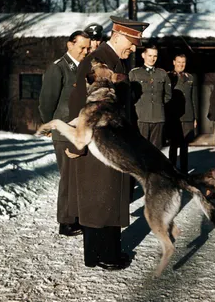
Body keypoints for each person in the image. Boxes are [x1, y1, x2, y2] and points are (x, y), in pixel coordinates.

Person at [68, 15, 149, 270]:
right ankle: (99, 255)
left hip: (113, 141)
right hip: (98, 141)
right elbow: (79, 105)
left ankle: (108, 252)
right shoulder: (98, 62)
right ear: (117, 36)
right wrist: (77, 144)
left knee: (110, 195)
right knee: (98, 197)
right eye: (132, 42)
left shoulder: (116, 62)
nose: (134, 48)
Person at [38, 30, 91, 236]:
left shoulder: (83, 68)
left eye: (87, 48)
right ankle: (66, 222)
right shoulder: (59, 68)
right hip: (63, 130)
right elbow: (46, 102)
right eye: (81, 48)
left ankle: (76, 216)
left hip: (79, 130)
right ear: (70, 45)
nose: (85, 51)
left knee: (78, 176)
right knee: (68, 177)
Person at [129, 45, 172, 149]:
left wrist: (159, 105)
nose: (152, 59)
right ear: (143, 55)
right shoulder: (135, 73)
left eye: (155, 56)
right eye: (150, 55)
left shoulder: (162, 74)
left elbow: (168, 95)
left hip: (158, 117)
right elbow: (130, 95)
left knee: (156, 150)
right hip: (141, 117)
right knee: (140, 149)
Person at [167, 53, 197, 173]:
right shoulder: (168, 76)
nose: (181, 65)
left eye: (183, 62)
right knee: (173, 145)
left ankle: (184, 172)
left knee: (185, 146)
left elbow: (193, 98)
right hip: (174, 116)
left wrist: (195, 117)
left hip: (188, 116)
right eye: (178, 62)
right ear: (174, 62)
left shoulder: (190, 77)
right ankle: (172, 171)